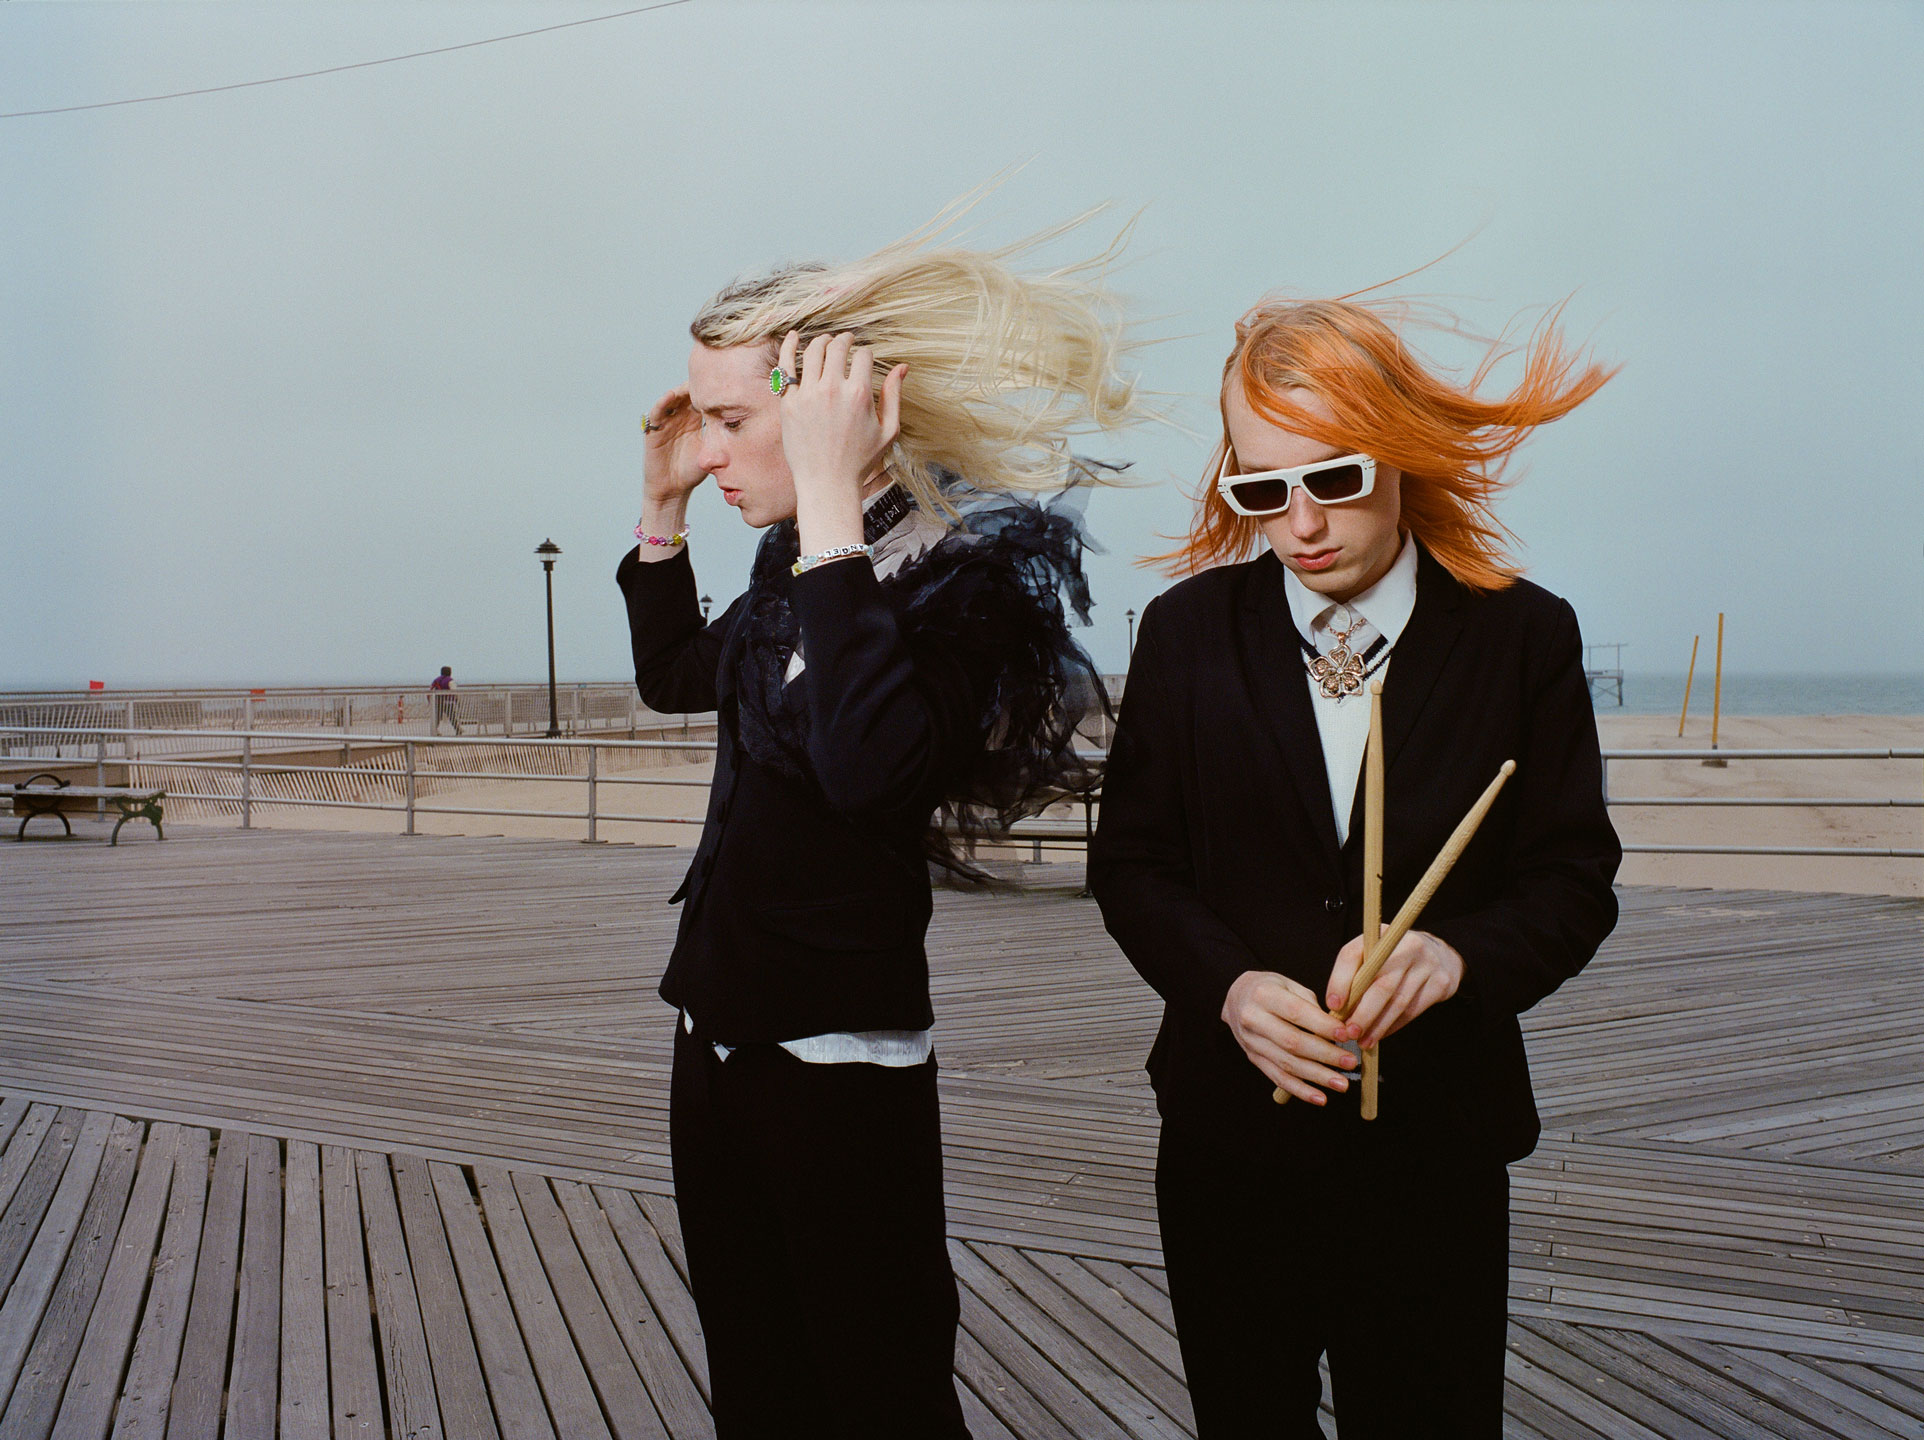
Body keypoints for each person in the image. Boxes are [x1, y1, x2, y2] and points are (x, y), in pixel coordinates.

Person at [617, 224, 1143, 1438]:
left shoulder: (962, 586)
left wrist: (833, 517)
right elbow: (675, 679)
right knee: (754, 1372)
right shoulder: (787, 564)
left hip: (841, 1063)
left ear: (832, 414)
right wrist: (660, 508)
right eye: (698, 421)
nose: (713, 451)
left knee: (879, 1386)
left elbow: (869, 771)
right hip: (715, 1029)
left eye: (733, 422)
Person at [1089, 295, 1622, 1437]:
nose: (1298, 523)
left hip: (1435, 1145)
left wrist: (1458, 956)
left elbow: (1573, 875)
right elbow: (1132, 863)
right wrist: (1227, 987)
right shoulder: (1183, 634)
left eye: (1333, 478)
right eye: (1259, 488)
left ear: (1400, 452)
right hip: (1228, 1142)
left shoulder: (1523, 635)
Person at [429, 665, 462, 735]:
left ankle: (434, 730)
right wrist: (457, 700)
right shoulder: (450, 680)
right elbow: (454, 691)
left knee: (437, 717)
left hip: (437, 701)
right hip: (448, 702)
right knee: (452, 717)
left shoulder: (436, 680)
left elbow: (431, 689)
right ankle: (458, 730)